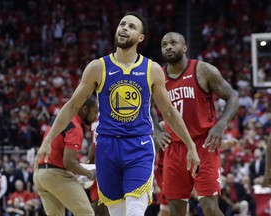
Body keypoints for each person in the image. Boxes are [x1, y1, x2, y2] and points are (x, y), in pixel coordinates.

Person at [33, 12, 200, 216]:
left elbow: (169, 112)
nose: (124, 28)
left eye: (131, 26)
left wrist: (190, 145)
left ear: (140, 38)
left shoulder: (151, 69)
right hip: (107, 147)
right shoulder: (97, 67)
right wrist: (48, 140)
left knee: (135, 211)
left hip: (139, 147)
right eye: (122, 24)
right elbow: (71, 106)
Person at [158, 32, 239, 216]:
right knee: (175, 210)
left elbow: (233, 97)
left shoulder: (203, 70)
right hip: (175, 147)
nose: (168, 47)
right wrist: (156, 131)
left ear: (184, 47)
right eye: (164, 45)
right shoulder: (158, 77)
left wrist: (220, 125)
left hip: (204, 145)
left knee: (210, 208)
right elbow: (145, 106)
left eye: (173, 43)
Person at [33, 95, 98, 216]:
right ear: (84, 109)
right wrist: (89, 174)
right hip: (55, 174)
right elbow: (69, 162)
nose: (95, 117)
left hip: (39, 174)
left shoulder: (60, 119)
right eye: (95, 112)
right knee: (86, 213)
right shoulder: (75, 126)